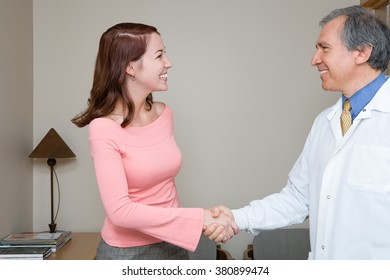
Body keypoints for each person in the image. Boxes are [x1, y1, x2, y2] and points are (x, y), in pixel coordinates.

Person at [205, 5, 390, 259]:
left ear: (362, 52)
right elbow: (297, 198)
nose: (314, 59)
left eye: (324, 48)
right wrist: (236, 217)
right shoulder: (325, 122)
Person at [72, 22, 237, 260]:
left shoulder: (164, 114)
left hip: (173, 244)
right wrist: (200, 217)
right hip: (126, 254)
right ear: (130, 67)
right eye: (159, 55)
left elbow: (163, 189)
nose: (168, 63)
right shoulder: (103, 128)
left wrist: (203, 218)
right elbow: (120, 212)